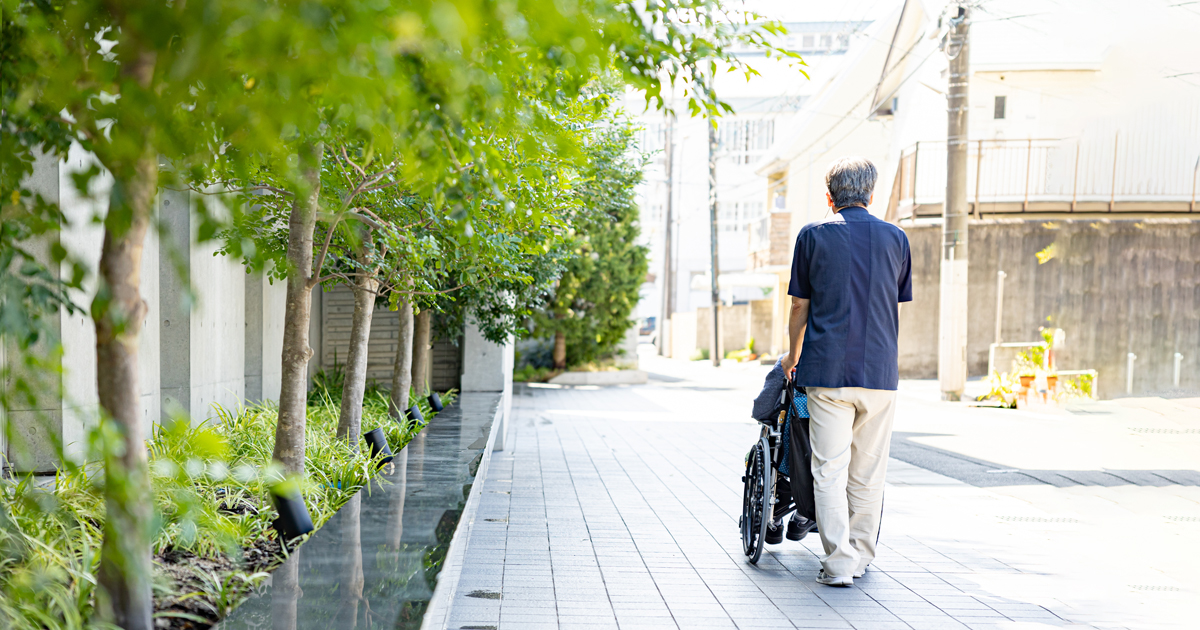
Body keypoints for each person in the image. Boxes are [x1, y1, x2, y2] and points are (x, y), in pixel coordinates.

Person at [782, 156, 912, 587]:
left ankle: (838, 563)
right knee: (868, 473)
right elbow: (891, 304)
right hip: (879, 372)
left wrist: (791, 355)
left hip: (826, 372)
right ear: (871, 195)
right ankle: (861, 557)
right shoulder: (896, 238)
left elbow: (800, 305)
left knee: (829, 470)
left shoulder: (813, 236)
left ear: (829, 197)